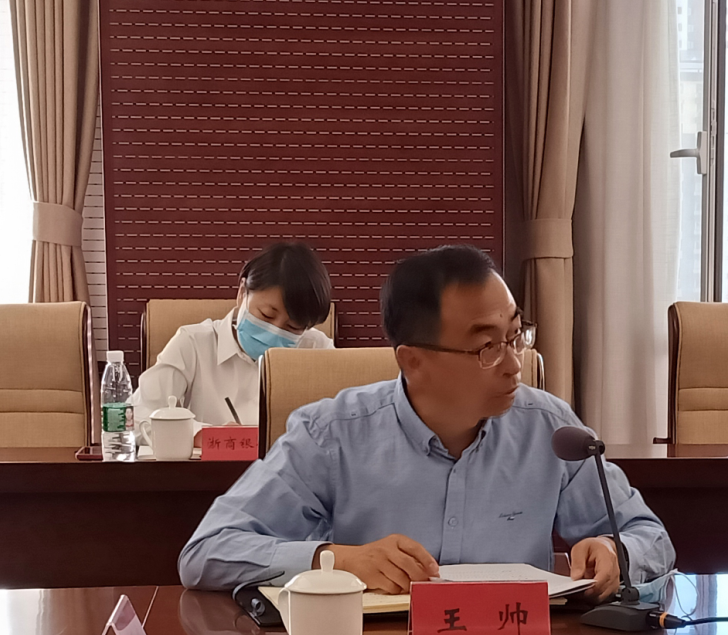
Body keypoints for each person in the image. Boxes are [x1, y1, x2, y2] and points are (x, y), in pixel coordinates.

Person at [178, 245, 674, 600]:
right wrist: (337, 560)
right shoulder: (331, 435)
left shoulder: (549, 428)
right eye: (486, 346)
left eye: (515, 336)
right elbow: (207, 553)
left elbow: (649, 536)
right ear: (413, 361)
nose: (513, 365)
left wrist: (616, 550)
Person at [132, 241, 334, 432]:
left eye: (292, 327)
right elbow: (138, 416)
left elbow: (345, 420)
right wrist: (202, 434)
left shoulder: (317, 350)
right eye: (266, 315)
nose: (274, 331)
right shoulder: (193, 344)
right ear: (242, 293)